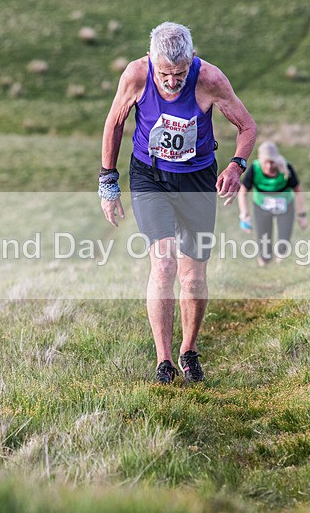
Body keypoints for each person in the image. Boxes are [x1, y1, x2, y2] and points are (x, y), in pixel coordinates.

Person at [99, 22, 257, 384]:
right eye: (165, 74)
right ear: (151, 60)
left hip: (197, 180)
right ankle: (164, 361)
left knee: (193, 276)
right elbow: (114, 123)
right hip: (150, 176)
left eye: (180, 74)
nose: (172, 81)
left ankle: (188, 350)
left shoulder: (210, 79)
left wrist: (236, 165)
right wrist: (108, 182)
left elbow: (248, 126)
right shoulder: (136, 75)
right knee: (164, 264)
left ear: (192, 59)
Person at [238, 141, 308, 266]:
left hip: (285, 206)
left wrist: (301, 215)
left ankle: (281, 267)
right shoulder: (254, 169)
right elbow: (242, 193)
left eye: (272, 162)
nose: (269, 166)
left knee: (284, 243)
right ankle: (264, 266)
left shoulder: (286, 167)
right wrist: (245, 216)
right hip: (261, 207)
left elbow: (298, 191)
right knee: (264, 243)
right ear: (259, 159)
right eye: (266, 162)